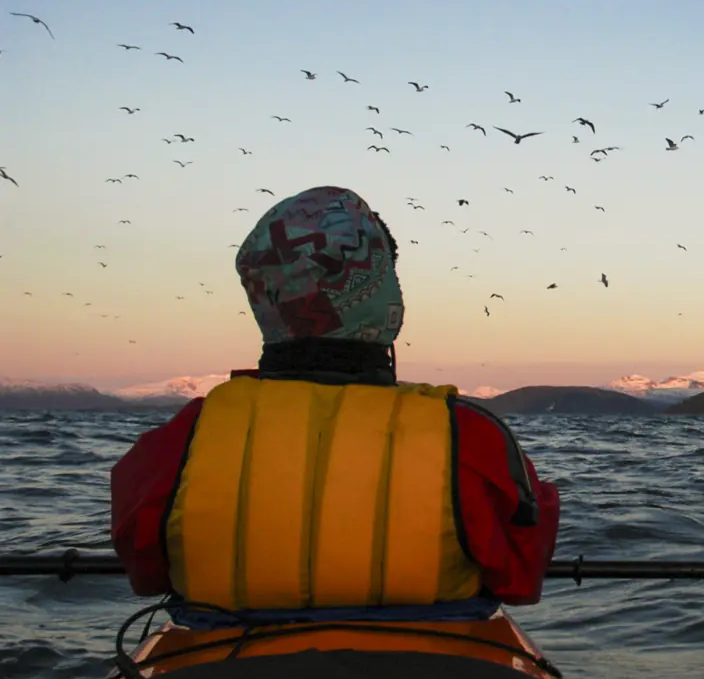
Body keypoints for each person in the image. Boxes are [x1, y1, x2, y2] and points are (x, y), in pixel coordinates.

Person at [110, 186, 558, 625]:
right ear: (384, 296)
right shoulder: (469, 436)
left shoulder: (182, 439)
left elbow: (146, 575)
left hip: (227, 678)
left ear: (264, 296)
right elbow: (520, 580)